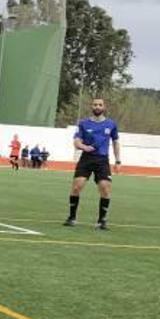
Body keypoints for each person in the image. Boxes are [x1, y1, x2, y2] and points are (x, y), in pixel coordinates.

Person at [65, 98, 120, 230]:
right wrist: (84, 147)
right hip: (86, 159)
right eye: (95, 104)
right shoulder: (83, 123)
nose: (97, 107)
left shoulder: (111, 124)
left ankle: (102, 220)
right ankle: (72, 218)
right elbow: (76, 141)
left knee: (105, 189)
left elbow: (116, 142)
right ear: (92, 106)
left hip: (102, 160)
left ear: (104, 107)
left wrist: (118, 160)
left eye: (100, 105)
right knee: (77, 187)